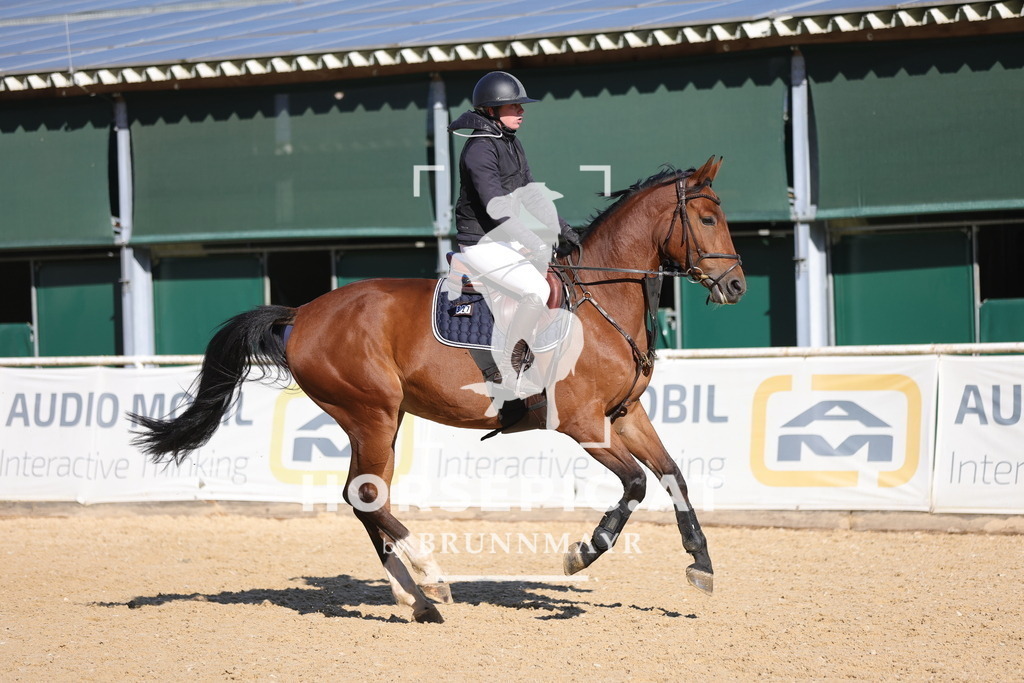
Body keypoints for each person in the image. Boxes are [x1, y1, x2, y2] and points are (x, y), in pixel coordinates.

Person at [448, 71, 580, 399]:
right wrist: (535, 241)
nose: (522, 111)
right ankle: (510, 366)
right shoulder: (479, 149)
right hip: (479, 242)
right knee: (535, 288)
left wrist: (563, 228)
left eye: (521, 106)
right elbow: (497, 207)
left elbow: (531, 194)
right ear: (491, 110)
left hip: (502, 240)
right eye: (513, 106)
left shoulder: (510, 143)